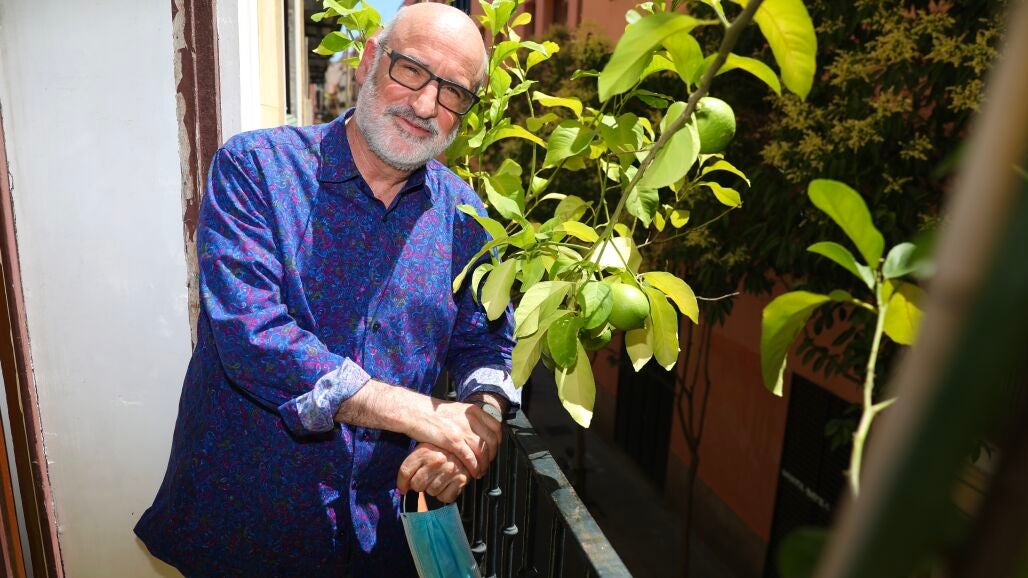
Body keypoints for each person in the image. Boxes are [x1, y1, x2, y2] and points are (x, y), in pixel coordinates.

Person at [135, 4, 516, 576]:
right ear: (369, 61)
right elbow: (252, 336)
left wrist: (470, 433)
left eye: (453, 92)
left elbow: (487, 344)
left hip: (380, 534)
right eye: (411, 70)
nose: (425, 105)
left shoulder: (465, 216)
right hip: (248, 523)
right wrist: (422, 414)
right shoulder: (256, 168)